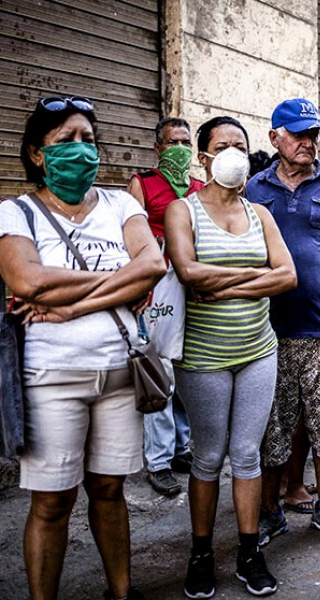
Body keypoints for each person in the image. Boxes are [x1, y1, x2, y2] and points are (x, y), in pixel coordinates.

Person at [0, 96, 166, 600]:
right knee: (52, 502)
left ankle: (121, 591)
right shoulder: (16, 212)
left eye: (88, 139)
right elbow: (25, 278)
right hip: (52, 379)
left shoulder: (121, 205)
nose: (82, 150)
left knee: (110, 492)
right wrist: (115, 280)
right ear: (37, 154)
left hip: (119, 374)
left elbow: (152, 267)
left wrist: (67, 301)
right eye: (66, 141)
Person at [165, 115, 297, 598]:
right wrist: (250, 278)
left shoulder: (259, 213)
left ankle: (249, 552)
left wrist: (223, 282)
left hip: (258, 351)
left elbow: (287, 276)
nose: (235, 153)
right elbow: (185, 269)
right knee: (207, 457)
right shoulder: (184, 211)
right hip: (202, 357)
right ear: (204, 158)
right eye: (223, 145)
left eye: (240, 144)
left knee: (246, 454)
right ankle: (200, 554)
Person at [245, 98, 320, 544]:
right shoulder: (253, 189)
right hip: (265, 329)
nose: (308, 143)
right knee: (272, 429)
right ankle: (270, 511)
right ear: (275, 136)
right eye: (299, 134)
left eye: (314, 134)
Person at [128, 117, 205, 498]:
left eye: (185, 141)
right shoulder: (142, 184)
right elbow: (131, 235)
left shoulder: (199, 188)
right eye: (173, 141)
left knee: (188, 370)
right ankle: (157, 461)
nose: (180, 148)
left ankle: (180, 448)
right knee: (160, 372)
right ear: (158, 147)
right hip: (158, 285)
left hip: (192, 284)